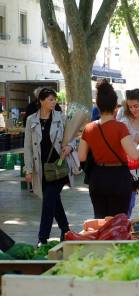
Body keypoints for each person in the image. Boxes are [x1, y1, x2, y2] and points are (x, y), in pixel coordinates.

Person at [78, 80, 139, 219]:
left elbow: (82, 157)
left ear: (97, 105)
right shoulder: (120, 128)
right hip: (118, 178)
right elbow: (133, 155)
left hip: (97, 178)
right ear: (116, 106)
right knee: (118, 223)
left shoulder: (88, 128)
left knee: (101, 222)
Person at [23, 88, 75, 244]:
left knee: (48, 202)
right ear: (41, 100)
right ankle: (66, 231)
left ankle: (42, 239)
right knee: (53, 201)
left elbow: (73, 138)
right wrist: (29, 169)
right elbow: (28, 146)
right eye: (50, 99)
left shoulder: (61, 117)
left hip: (59, 167)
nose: (54, 102)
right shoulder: (31, 120)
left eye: (54, 99)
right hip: (42, 169)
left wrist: (70, 147)